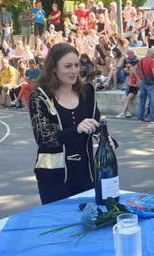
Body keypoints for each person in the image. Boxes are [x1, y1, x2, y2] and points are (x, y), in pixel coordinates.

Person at [29, 43, 107, 204]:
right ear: (53, 68)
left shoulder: (87, 91)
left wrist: (105, 138)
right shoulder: (39, 96)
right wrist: (76, 129)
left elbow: (96, 123)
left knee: (90, 220)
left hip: (86, 173)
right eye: (68, 66)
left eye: (77, 65)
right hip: (54, 177)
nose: (74, 71)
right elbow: (44, 138)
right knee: (61, 224)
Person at [137, 48, 154, 124]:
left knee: (142, 101)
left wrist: (138, 78)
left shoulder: (141, 60)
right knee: (152, 100)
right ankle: (153, 119)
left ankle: (140, 118)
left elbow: (134, 69)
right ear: (150, 53)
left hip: (142, 81)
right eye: (153, 54)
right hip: (150, 82)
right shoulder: (152, 61)